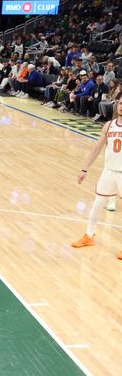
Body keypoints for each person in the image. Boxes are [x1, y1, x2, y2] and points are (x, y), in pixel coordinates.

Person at [71, 100, 122, 260]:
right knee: (97, 203)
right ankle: (89, 235)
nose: (121, 106)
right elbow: (96, 148)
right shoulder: (109, 125)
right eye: (120, 103)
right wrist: (84, 169)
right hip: (108, 171)